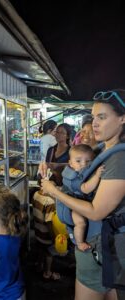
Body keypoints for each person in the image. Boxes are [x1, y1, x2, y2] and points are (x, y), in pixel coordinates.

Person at [41, 89, 125, 300]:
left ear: (122, 118)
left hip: (100, 248)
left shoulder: (119, 160)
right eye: (94, 116)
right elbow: (81, 167)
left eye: (102, 117)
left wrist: (54, 192)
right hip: (103, 247)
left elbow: (96, 212)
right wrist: (51, 165)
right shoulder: (104, 150)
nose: (94, 123)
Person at [63, 144, 104, 251]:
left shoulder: (84, 172)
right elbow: (85, 189)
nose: (83, 164)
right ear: (70, 163)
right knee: (80, 223)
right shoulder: (72, 176)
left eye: (88, 161)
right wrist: (97, 176)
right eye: (78, 161)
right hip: (74, 206)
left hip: (83, 202)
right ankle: (80, 243)